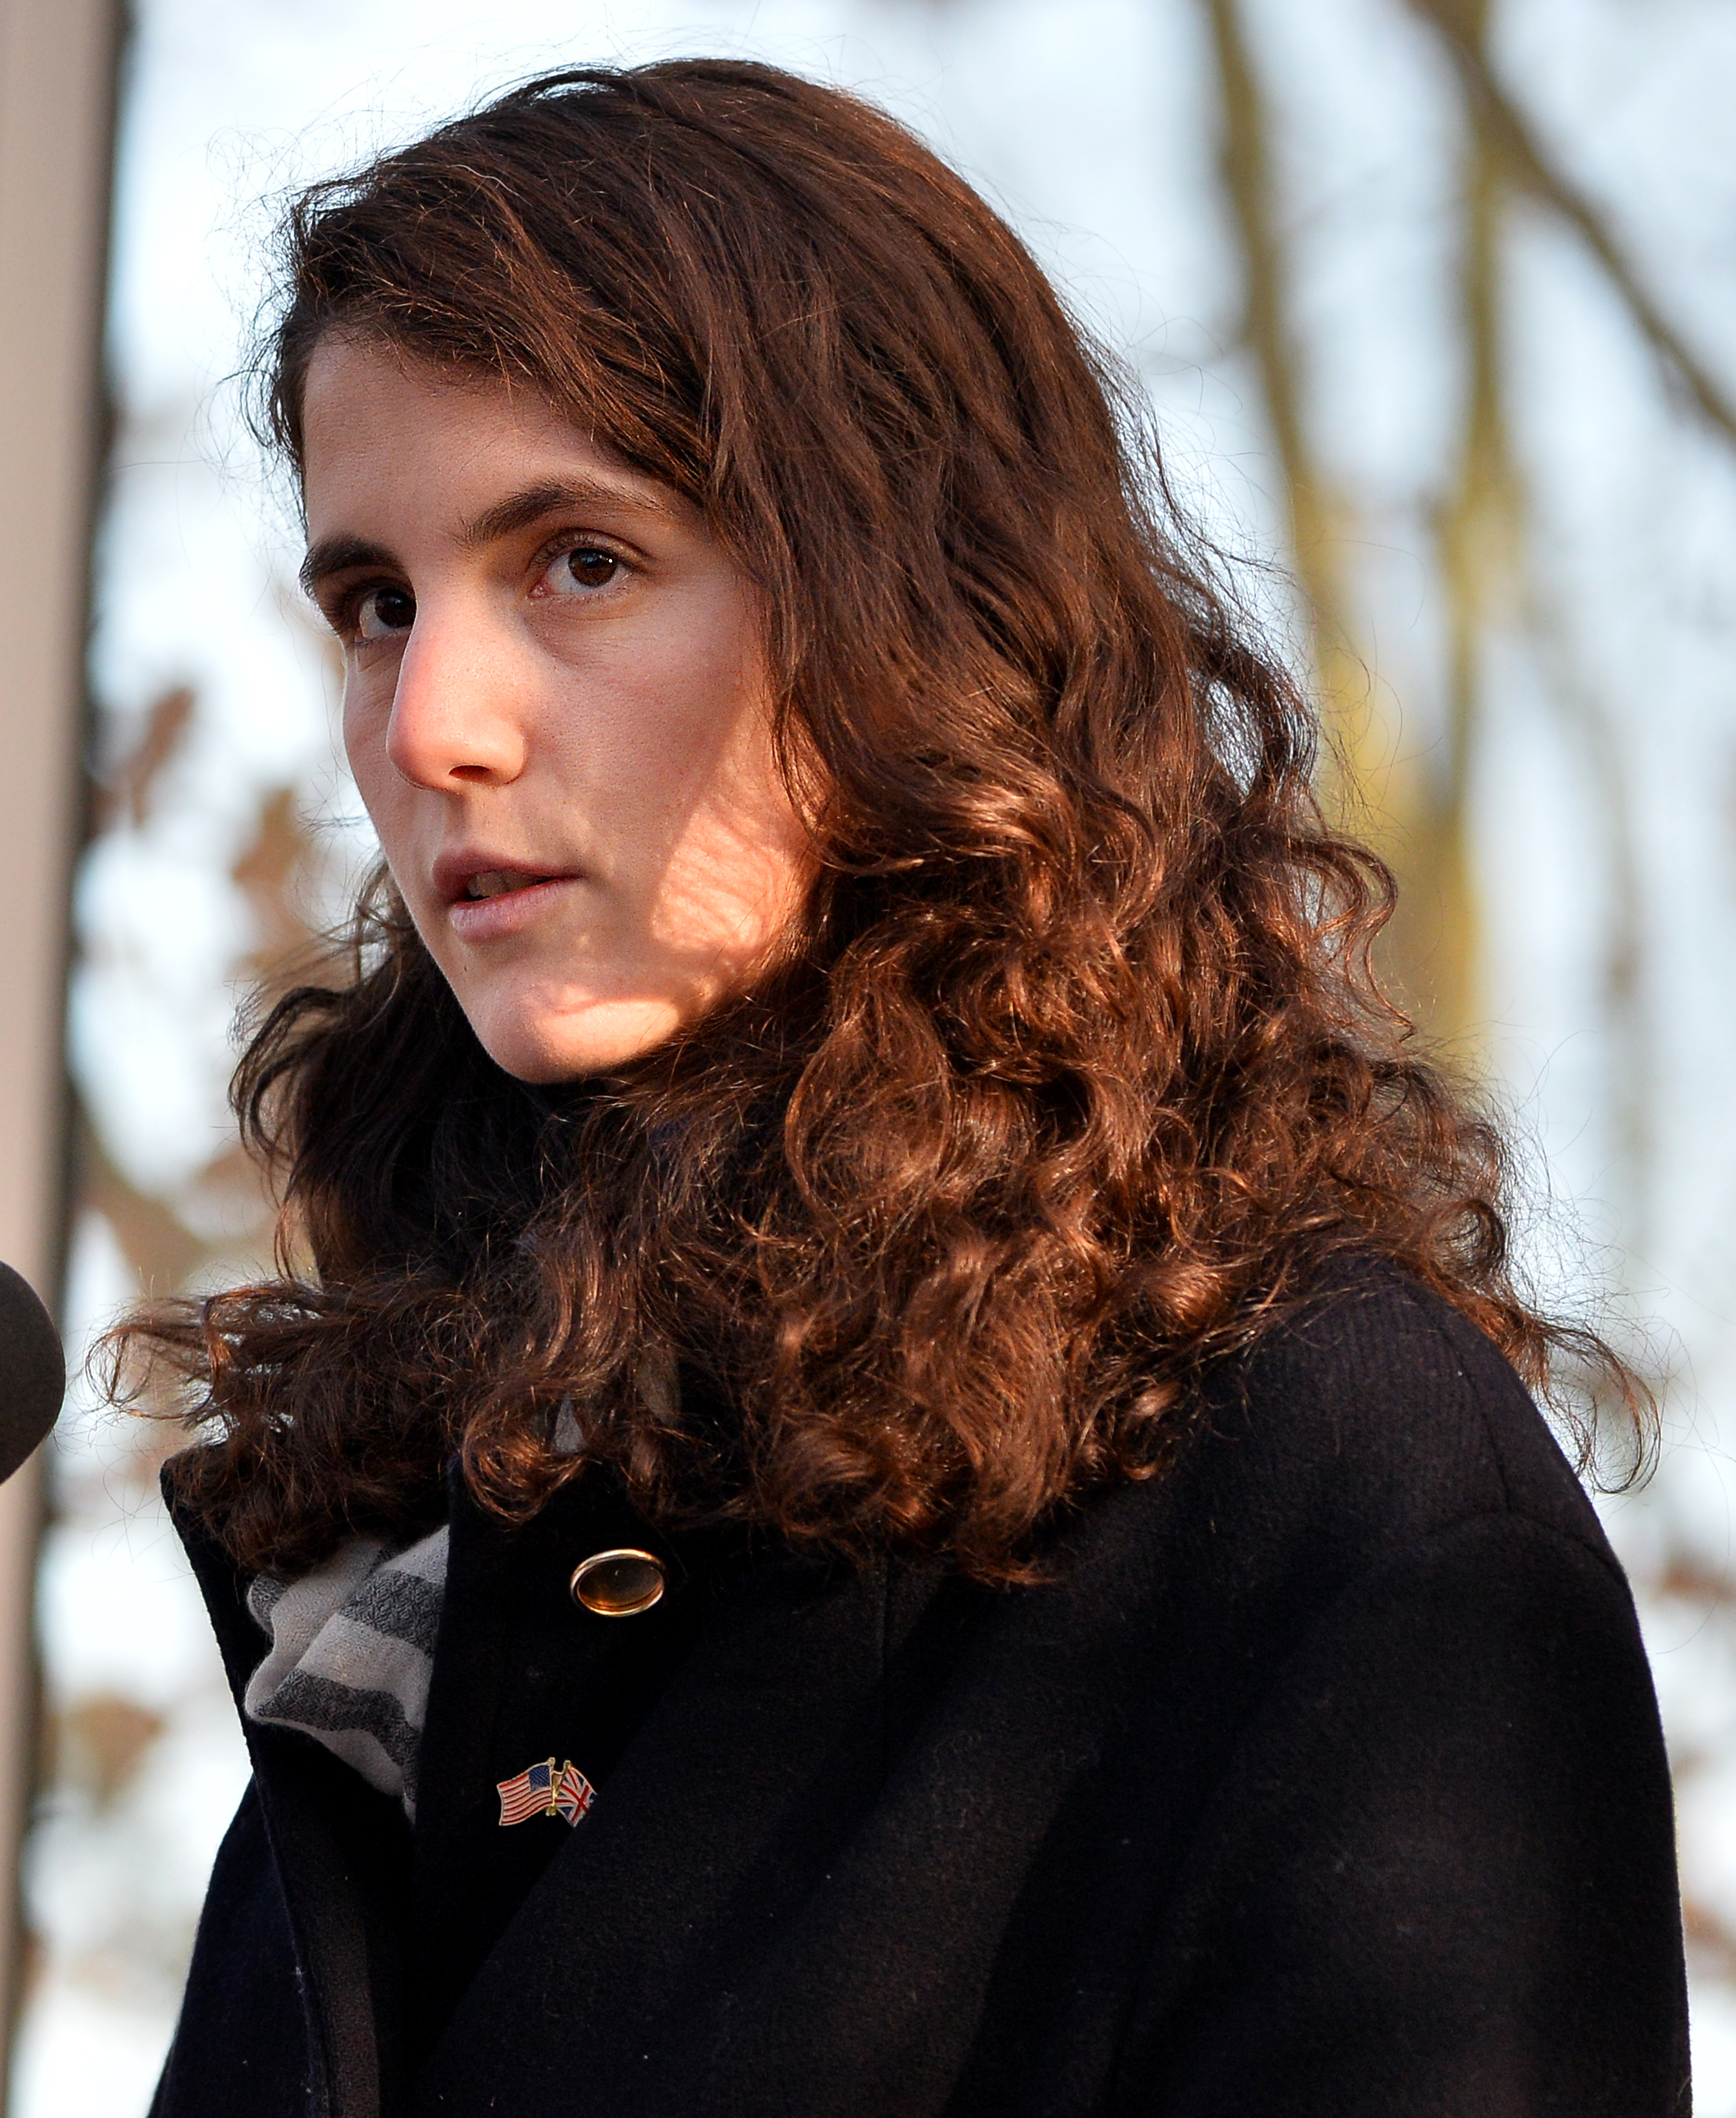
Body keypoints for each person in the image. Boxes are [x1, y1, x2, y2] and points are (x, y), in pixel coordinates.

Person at [114, 58, 1690, 2118]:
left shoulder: (1335, 1490)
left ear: (910, 606)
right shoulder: (433, 1530)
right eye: (376, 601)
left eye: (580, 560)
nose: (433, 722)